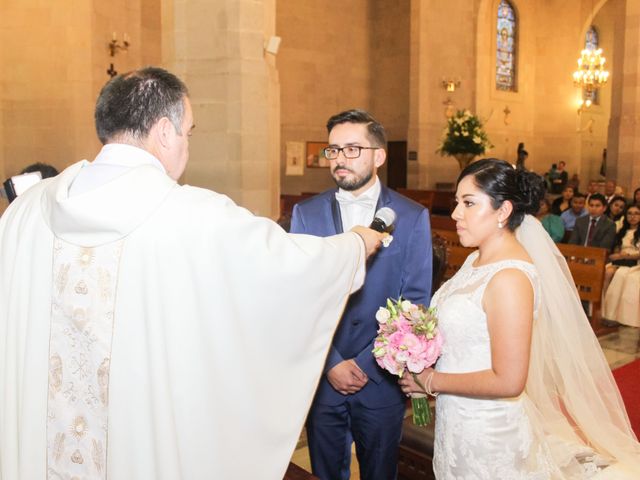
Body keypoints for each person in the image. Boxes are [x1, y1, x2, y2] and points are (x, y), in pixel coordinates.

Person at [0, 67, 387, 480]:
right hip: (139, 443)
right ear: (165, 131)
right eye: (189, 132)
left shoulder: (27, 210)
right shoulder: (192, 215)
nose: (187, 145)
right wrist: (357, 244)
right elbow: (289, 268)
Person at [398, 158, 640, 478]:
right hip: (457, 419)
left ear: (503, 210)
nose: (456, 213)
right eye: (457, 202)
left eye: (469, 203)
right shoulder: (476, 258)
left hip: (489, 434)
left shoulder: (510, 277)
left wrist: (431, 380)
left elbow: (509, 380)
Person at [290, 109, 432, 480]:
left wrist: (369, 363)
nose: (339, 159)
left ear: (378, 155)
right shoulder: (306, 214)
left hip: (381, 380)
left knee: (380, 472)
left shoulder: (412, 216)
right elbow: (299, 296)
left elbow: (415, 300)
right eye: (333, 150)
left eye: (352, 149)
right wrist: (332, 362)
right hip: (324, 378)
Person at [603, 204, 640, 327]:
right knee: (606, 272)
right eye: (629, 213)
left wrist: (626, 256)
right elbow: (617, 249)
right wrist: (617, 255)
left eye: (636, 214)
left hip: (635, 262)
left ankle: (618, 315)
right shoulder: (622, 231)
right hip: (621, 260)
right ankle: (605, 311)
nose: (632, 217)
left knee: (621, 275)